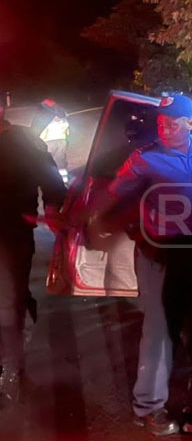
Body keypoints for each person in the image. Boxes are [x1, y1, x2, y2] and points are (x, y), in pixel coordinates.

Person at [94, 94, 192, 435]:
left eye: (173, 124)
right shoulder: (144, 159)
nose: (165, 129)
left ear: (190, 123)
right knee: (159, 329)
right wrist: (113, 224)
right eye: (162, 123)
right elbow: (115, 195)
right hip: (160, 254)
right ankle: (148, 407)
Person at [0, 99, 66, 404]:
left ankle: (12, 368)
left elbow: (53, 184)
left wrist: (53, 211)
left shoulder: (25, 142)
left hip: (11, 235)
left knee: (7, 303)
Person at [38, 100, 71, 184]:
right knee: (60, 160)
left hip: (49, 142)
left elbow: (43, 134)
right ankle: (64, 180)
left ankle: (50, 180)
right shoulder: (65, 121)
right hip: (62, 141)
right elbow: (68, 133)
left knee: (48, 161)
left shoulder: (48, 122)